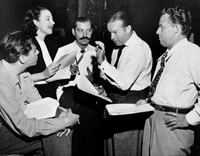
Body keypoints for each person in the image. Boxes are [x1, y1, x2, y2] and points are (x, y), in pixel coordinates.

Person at [0, 31, 80, 156]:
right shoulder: (2, 80)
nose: (38, 52)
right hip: (3, 137)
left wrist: (62, 113)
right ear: (22, 58)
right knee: (57, 130)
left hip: (13, 129)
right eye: (34, 50)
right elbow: (23, 126)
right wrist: (64, 122)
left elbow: (41, 105)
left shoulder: (23, 75)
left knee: (59, 124)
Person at [136, 5, 200, 156]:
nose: (157, 31)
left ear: (176, 28)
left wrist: (191, 119)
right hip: (152, 121)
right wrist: (149, 101)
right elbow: (166, 89)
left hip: (172, 127)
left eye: (161, 27)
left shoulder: (193, 54)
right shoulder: (165, 56)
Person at [96, 11, 153, 156]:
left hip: (132, 104)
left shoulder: (139, 49)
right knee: (111, 148)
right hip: (115, 100)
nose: (111, 37)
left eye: (115, 32)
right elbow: (116, 75)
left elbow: (125, 83)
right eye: (110, 33)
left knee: (126, 149)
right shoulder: (119, 46)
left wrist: (103, 63)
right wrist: (105, 86)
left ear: (128, 29)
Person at [58, 17, 104, 156]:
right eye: (80, 30)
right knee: (72, 141)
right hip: (70, 97)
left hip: (90, 98)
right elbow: (54, 78)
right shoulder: (63, 50)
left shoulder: (98, 52)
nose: (84, 35)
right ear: (73, 31)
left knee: (91, 141)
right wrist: (67, 73)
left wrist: (100, 84)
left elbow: (104, 76)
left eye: (88, 30)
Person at [22, 6, 60, 99]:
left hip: (51, 91)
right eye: (48, 19)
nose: (53, 22)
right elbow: (20, 78)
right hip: (33, 93)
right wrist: (43, 75)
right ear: (36, 22)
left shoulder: (52, 44)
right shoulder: (26, 44)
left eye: (52, 19)